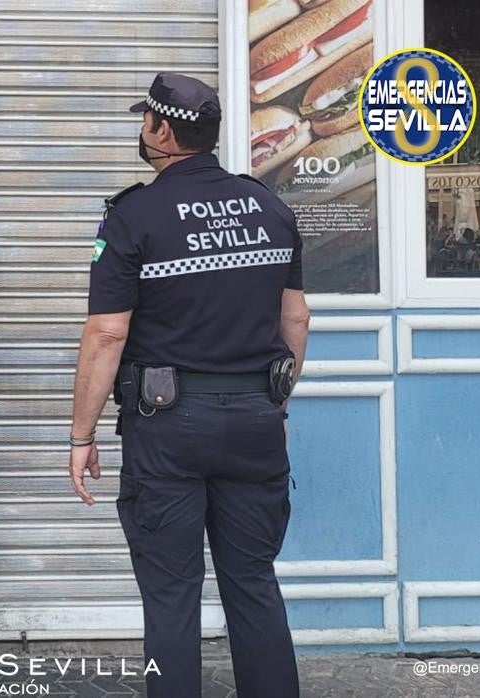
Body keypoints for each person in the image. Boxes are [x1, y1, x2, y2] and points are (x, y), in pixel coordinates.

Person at [66, 73, 309, 698]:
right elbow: (296, 318)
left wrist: (81, 434)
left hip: (168, 425)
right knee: (253, 582)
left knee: (172, 597)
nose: (141, 129)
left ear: (163, 131)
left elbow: (106, 334)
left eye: (144, 119)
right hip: (256, 419)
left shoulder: (133, 216)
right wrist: (275, 403)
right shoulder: (270, 207)